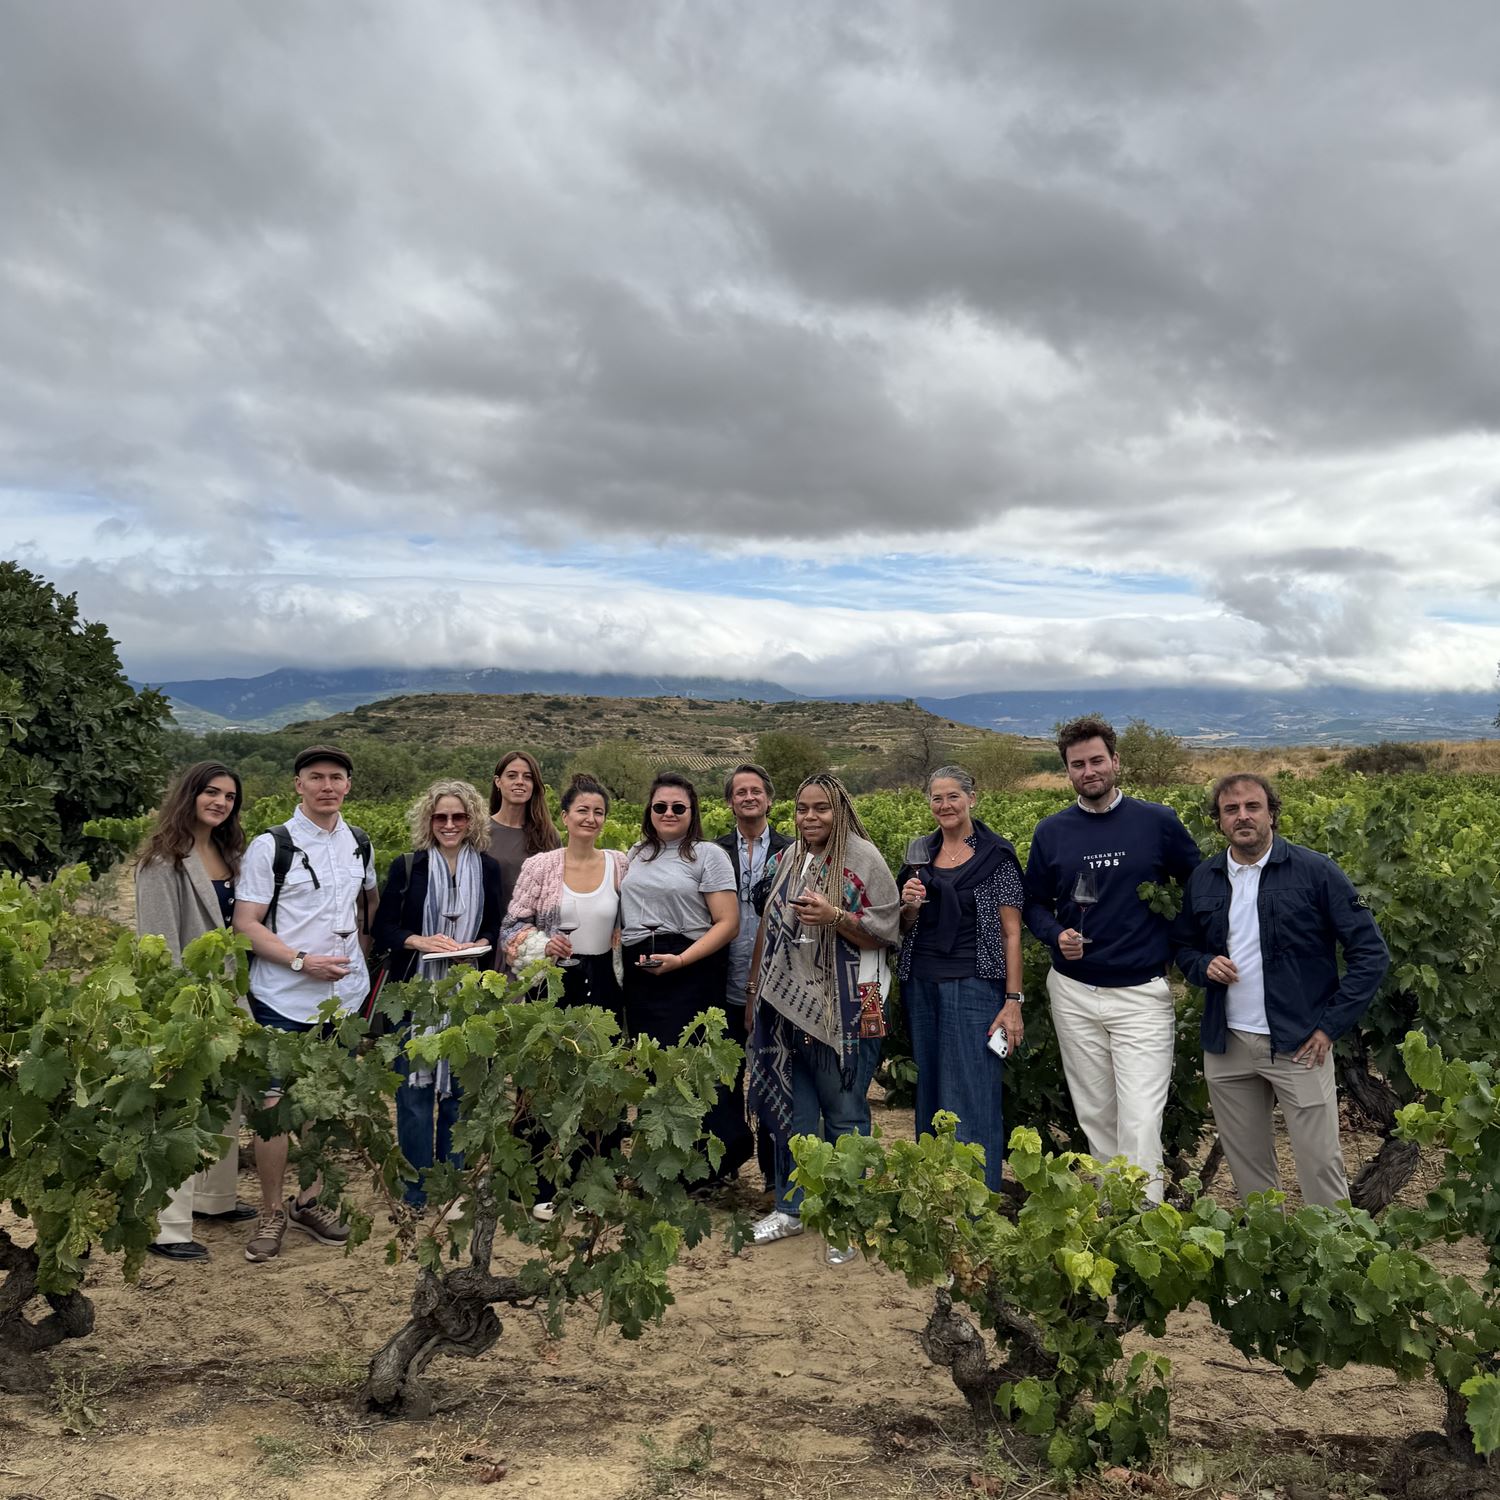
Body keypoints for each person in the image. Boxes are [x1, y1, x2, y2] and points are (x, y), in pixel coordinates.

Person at [1172, 773, 1389, 1206]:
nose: (1243, 816)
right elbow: (1183, 946)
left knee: (1320, 1164)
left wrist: (1329, 1027)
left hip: (1300, 1042)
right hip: (1227, 1043)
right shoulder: (1204, 878)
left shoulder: (1316, 871)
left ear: (1271, 813)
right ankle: (1269, 1245)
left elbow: (1371, 953)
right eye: (1231, 810)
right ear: (1219, 821)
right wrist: (1202, 964)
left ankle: (1332, 1245)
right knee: (1248, 1169)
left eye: (1252, 806)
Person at [1022, 717, 1200, 1203]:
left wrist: (1178, 945)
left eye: (1097, 760)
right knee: (1096, 1115)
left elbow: (1199, 886)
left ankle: (1147, 1220)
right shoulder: (1051, 832)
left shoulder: (1157, 822)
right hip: (1073, 991)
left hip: (1141, 992)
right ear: (1067, 771)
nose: (1089, 771)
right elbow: (1033, 904)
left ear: (1115, 762)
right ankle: (1112, 1216)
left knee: (1140, 1118)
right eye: (1077, 764)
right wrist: (1056, 935)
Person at [745, 773, 900, 1262]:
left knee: (845, 1113)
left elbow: (886, 933)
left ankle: (844, 1217)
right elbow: (771, 925)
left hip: (847, 1009)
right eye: (802, 809)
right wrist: (756, 990)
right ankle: (792, 1208)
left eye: (821, 808)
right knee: (795, 1113)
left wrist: (835, 917)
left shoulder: (864, 859)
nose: (810, 817)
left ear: (841, 810)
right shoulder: (790, 858)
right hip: (789, 1006)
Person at [233, 745, 379, 1263]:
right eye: (316, 777)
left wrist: (359, 957)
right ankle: (272, 1210)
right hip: (283, 997)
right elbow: (246, 923)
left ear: (348, 785)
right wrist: (300, 961)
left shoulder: (359, 842)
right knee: (273, 1109)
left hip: (343, 1000)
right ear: (298, 785)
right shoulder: (271, 846)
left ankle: (309, 1201)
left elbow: (368, 904)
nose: (327, 786)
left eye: (336, 777)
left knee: (323, 1104)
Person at [133, 761, 255, 1260]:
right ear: (190, 794)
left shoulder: (231, 853)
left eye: (229, 796)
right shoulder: (163, 859)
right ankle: (167, 1226)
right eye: (211, 792)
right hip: (185, 1000)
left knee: (225, 1096)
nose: (220, 802)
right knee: (178, 1106)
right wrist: (180, 1009)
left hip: (230, 995)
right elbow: (158, 944)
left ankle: (214, 1198)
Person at [502, 772, 630, 1218]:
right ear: (565, 816)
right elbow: (512, 928)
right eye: (582, 810)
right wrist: (543, 945)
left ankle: (591, 1186)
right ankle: (537, 1186)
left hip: (605, 982)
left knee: (601, 1082)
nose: (591, 818)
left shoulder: (619, 863)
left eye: (598, 812)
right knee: (541, 1082)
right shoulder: (540, 867)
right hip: (552, 982)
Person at [372, 779, 503, 1211]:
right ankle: (415, 1190)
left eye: (458, 816)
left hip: (466, 994)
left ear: (472, 820)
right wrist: (420, 941)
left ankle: (450, 1185)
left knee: (458, 1095)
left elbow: (494, 925)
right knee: (413, 1097)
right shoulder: (408, 866)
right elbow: (384, 929)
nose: (449, 824)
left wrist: (478, 945)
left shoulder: (487, 869)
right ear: (429, 820)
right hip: (415, 993)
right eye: (441, 816)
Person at [896, 765, 1024, 1192]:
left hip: (975, 983)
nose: (945, 805)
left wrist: (1013, 1001)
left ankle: (977, 1199)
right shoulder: (920, 852)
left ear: (972, 798)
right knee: (931, 1090)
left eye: (953, 796)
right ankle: (935, 1194)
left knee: (972, 1090)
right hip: (921, 983)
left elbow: (1011, 933)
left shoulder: (996, 855)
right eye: (937, 798)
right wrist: (909, 906)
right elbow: (904, 926)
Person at [619, 772, 739, 1186]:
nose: (668, 813)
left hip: (690, 969)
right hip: (643, 970)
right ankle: (663, 1164)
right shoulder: (636, 853)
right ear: (649, 811)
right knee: (654, 1066)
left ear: (692, 812)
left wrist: (683, 960)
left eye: (678, 807)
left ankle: (706, 1166)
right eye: (660, 806)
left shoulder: (708, 855)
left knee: (693, 1067)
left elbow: (728, 923)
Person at [714, 763, 791, 1188]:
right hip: (723, 978)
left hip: (776, 982)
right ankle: (726, 1162)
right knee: (725, 1077)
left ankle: (773, 1172)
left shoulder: (792, 850)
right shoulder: (712, 851)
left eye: (755, 791)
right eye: (740, 792)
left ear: (769, 799)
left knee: (773, 1075)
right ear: (730, 802)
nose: (748, 797)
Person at [486, 750, 560, 934]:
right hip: (486, 936)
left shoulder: (549, 835)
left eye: (527, 777)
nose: (520, 781)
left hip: (533, 939)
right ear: (498, 782)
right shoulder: (479, 832)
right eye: (512, 776)